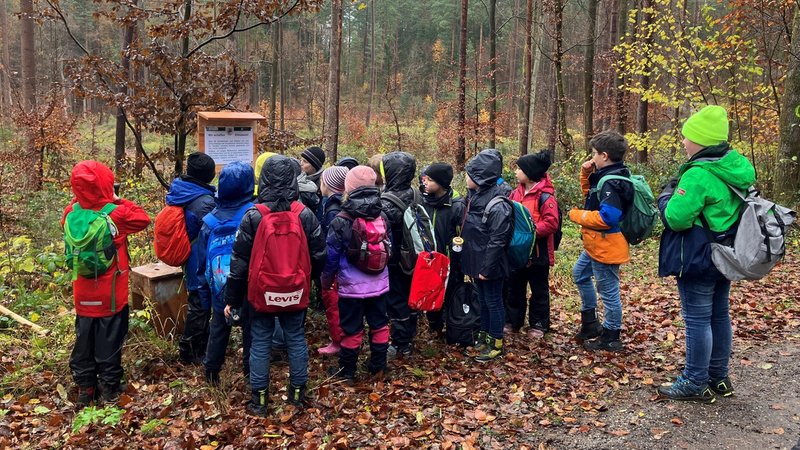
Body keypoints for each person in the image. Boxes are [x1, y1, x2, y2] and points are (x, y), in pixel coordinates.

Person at [656, 105, 755, 403]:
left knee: (697, 319)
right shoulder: (734, 166)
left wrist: (665, 197)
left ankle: (695, 381)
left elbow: (676, 218)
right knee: (719, 315)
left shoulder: (698, 174)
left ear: (700, 140)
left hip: (698, 256)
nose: (684, 142)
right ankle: (718, 376)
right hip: (725, 254)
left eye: (687, 137)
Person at [223, 155, 326, 416]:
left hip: (261, 292)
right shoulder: (305, 215)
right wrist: (306, 280)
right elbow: (319, 255)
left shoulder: (253, 216)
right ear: (293, 179)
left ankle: (259, 400)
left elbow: (239, 264)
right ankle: (297, 395)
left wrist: (233, 299)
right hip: (296, 289)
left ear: (264, 179)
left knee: (259, 342)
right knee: (295, 338)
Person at [63, 161, 150, 405]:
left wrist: (80, 200)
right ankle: (110, 390)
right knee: (109, 342)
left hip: (82, 294)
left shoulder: (71, 213)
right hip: (111, 294)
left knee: (84, 340)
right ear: (106, 184)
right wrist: (116, 199)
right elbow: (142, 219)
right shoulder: (115, 214)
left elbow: (67, 220)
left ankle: (85, 389)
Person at [322, 166, 392, 380]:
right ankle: (378, 366)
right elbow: (391, 249)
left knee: (351, 328)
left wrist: (326, 281)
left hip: (351, 288)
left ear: (348, 188)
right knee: (379, 324)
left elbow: (331, 257)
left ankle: (348, 371)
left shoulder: (341, 219)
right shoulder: (382, 215)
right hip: (380, 285)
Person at [567, 131, 634, 352]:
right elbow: (592, 196)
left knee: (608, 291)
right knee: (580, 274)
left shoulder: (612, 181)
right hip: (596, 243)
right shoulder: (610, 175)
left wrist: (577, 216)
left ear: (604, 156)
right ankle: (590, 324)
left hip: (606, 245)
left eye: (595, 154)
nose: (592, 157)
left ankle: (611, 336)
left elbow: (608, 217)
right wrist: (585, 173)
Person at [196, 162, 255, 386]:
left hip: (219, 290)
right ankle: (252, 375)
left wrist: (204, 294)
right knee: (252, 331)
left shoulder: (209, 221)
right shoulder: (252, 215)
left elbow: (201, 264)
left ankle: (211, 373)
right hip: (248, 288)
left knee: (218, 328)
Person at [460, 151, 513, 362]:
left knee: (493, 301)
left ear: (480, 177)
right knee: (482, 299)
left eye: (469, 175)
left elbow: (497, 240)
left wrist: (487, 268)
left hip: (491, 264)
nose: (465, 178)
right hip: (476, 259)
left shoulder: (498, 203)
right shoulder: (474, 195)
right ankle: (483, 336)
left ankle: (496, 341)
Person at [168, 152, 218, 365]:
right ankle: (190, 351)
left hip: (191, 255)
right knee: (200, 303)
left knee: (198, 301)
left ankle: (199, 344)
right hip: (200, 257)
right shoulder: (204, 202)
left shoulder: (181, 189)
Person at [505, 151, 560, 338]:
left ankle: (539, 323)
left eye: (519, 168)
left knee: (539, 289)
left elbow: (552, 223)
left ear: (530, 172)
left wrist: (530, 232)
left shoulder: (545, 197)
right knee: (515, 287)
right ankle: (513, 321)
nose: (516, 172)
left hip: (538, 252)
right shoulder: (515, 193)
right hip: (517, 251)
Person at [379, 151, 418, 359]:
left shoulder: (386, 202)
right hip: (416, 257)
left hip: (395, 261)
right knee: (411, 295)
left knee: (396, 299)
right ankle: (410, 331)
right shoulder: (416, 193)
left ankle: (402, 342)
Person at [420, 162, 466, 337]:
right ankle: (435, 325)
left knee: (452, 290)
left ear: (441, 183)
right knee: (431, 291)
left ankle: (454, 326)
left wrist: (456, 256)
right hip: (428, 259)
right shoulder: (424, 200)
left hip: (450, 260)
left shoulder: (456, 205)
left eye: (430, 179)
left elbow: (461, 234)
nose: (425, 182)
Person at [317, 165, 350, 355]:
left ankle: (338, 342)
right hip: (344, 268)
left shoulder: (332, 209)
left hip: (335, 268)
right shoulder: (341, 203)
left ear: (328, 185)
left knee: (333, 305)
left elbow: (332, 243)